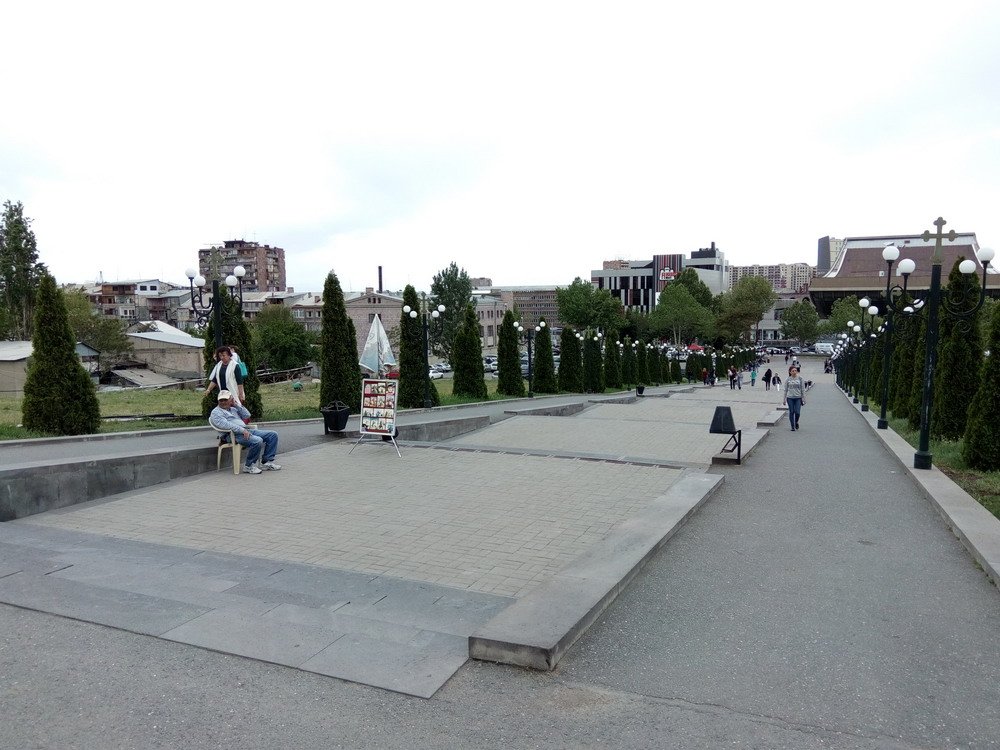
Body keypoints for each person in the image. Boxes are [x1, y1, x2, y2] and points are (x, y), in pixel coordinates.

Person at [210, 390, 281, 474]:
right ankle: (248, 466)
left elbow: (247, 415)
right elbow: (226, 425)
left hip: (245, 430)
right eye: (221, 400)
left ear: (231, 399)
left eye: (225, 400)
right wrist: (242, 430)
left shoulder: (233, 409)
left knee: (272, 435)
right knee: (257, 440)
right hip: (231, 435)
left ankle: (266, 462)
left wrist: (236, 405)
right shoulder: (216, 412)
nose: (223, 402)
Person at [783, 366, 806, 431]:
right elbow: (785, 390)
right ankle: (792, 426)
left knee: (797, 412)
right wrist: (784, 399)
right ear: (790, 372)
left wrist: (804, 398)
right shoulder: (788, 379)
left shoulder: (800, 379)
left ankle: (796, 422)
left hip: (798, 397)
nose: (794, 372)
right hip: (790, 398)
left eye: (795, 370)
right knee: (791, 411)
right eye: (793, 371)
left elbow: (803, 389)